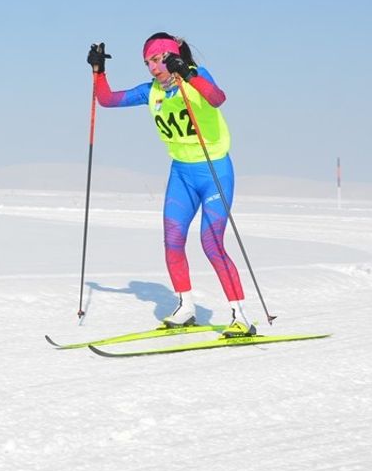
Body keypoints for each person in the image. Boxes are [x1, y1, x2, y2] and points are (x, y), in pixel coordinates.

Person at [86, 33, 253, 335]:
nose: (151, 67)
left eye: (157, 59)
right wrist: (99, 72)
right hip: (181, 174)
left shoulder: (197, 77)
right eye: (147, 62)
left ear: (171, 56)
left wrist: (188, 73)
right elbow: (108, 100)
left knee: (211, 243)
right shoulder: (151, 92)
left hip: (214, 171)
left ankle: (240, 315)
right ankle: (185, 307)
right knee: (173, 241)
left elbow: (217, 98)